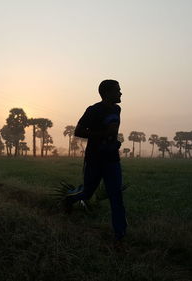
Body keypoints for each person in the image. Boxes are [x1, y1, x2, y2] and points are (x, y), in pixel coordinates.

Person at [64, 79, 127, 242]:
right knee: (87, 192)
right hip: (95, 159)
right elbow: (78, 131)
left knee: (116, 196)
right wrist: (103, 135)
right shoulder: (93, 110)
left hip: (112, 159)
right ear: (107, 93)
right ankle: (70, 198)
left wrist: (114, 141)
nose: (121, 93)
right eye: (118, 90)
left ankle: (120, 236)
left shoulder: (117, 109)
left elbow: (111, 131)